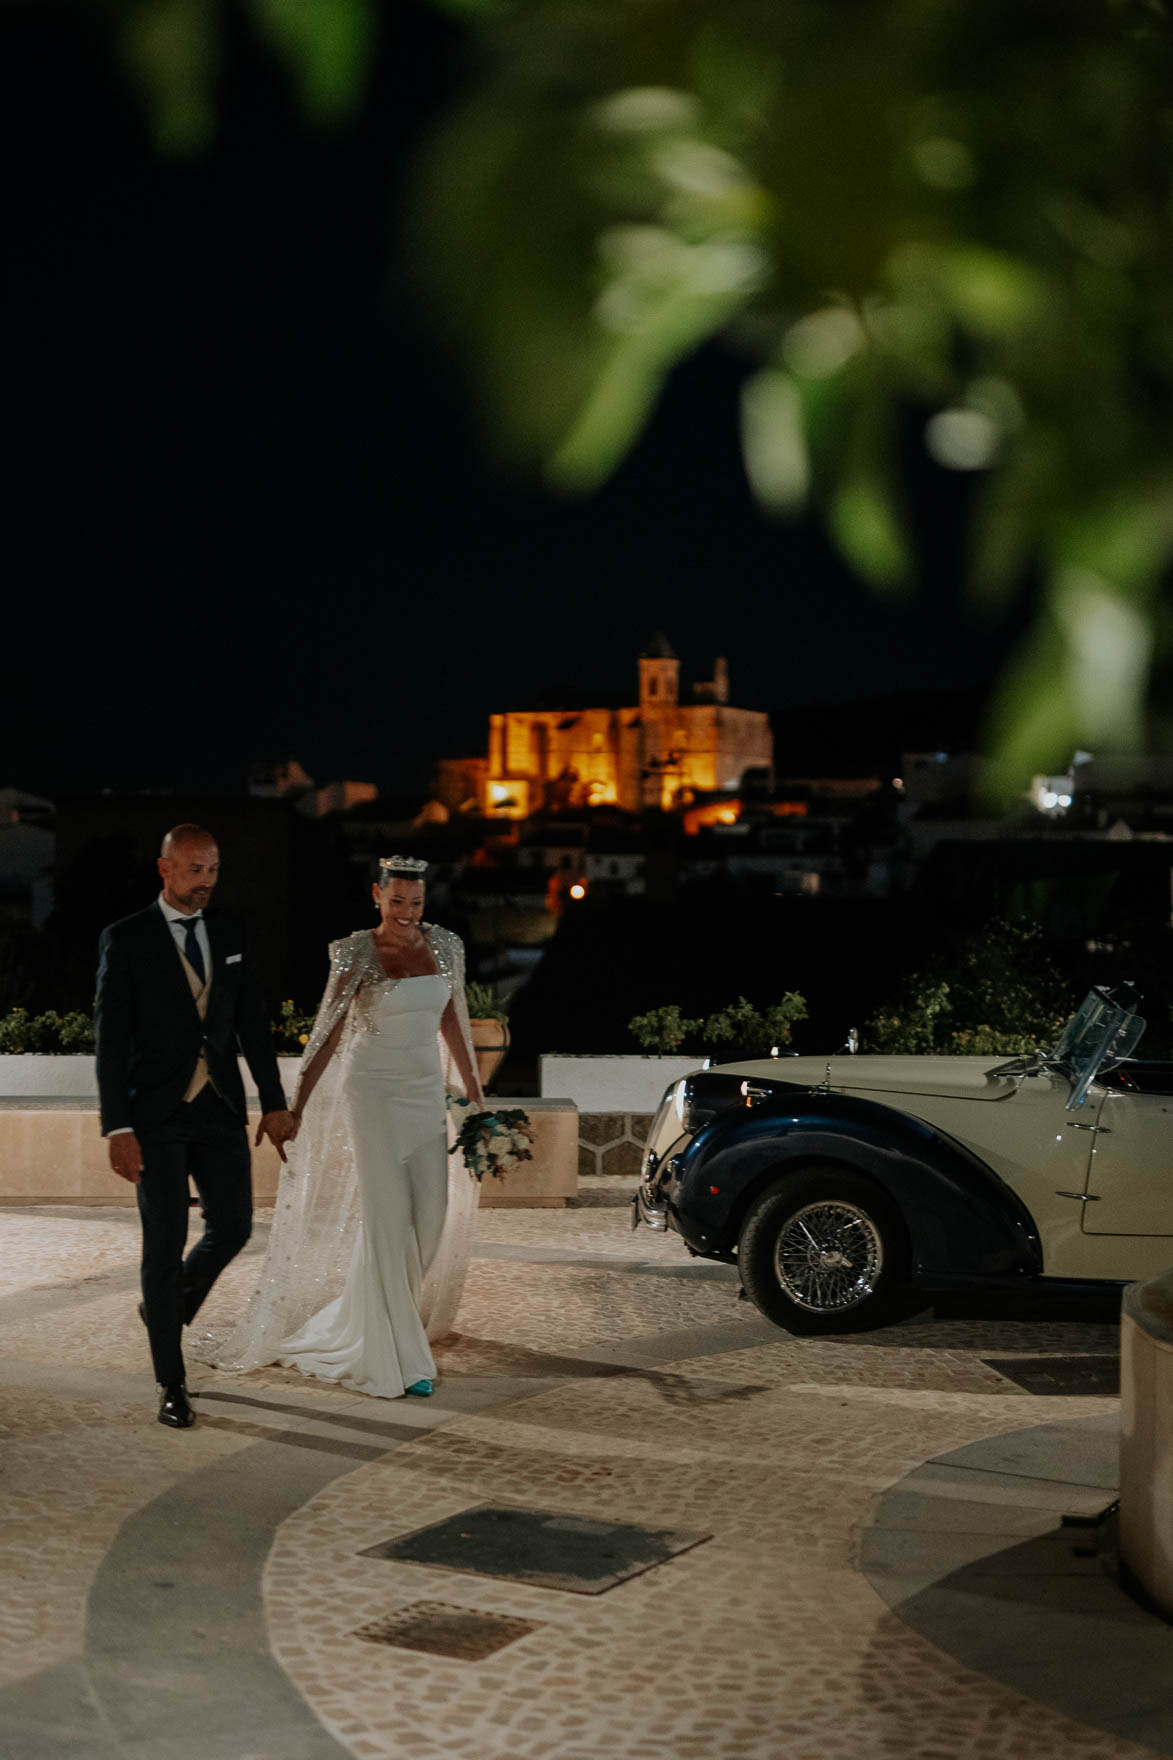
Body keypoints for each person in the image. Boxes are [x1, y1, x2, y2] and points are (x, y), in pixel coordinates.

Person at [198, 855, 485, 1399]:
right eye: (396, 901)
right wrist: (295, 1106)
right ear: (376, 895)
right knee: (385, 1219)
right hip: (371, 1089)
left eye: (416, 903)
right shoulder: (356, 952)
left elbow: (453, 1017)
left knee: (431, 1216)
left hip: (424, 1092)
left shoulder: (446, 946)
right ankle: (399, 1354)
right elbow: (327, 1031)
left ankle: (366, 1318)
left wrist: (475, 1095)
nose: (406, 912)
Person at [95, 824, 298, 1429]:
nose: (205, 882)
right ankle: (171, 1383)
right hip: (155, 1116)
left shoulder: (231, 932)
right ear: (165, 869)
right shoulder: (125, 939)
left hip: (217, 1109)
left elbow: (252, 1023)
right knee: (162, 1246)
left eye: (212, 870)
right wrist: (117, 1127)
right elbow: (110, 1043)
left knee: (234, 1225)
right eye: (194, 870)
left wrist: (274, 1102)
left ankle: (165, 1309)